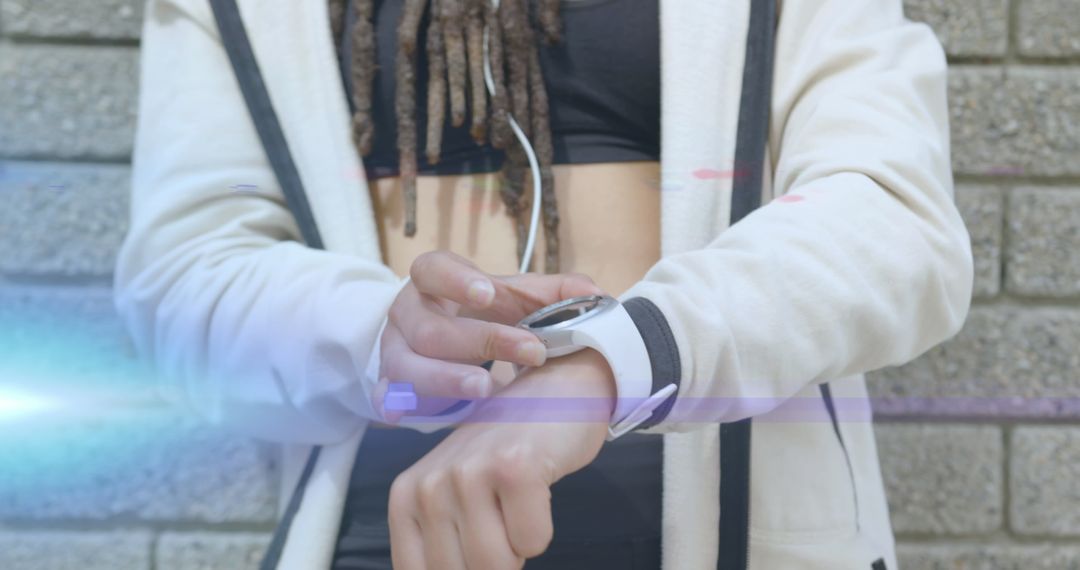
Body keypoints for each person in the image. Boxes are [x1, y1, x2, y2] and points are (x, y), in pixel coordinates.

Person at [113, 0, 974, 568]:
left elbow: (894, 220)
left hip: (736, 529)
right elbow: (183, 275)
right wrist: (376, 335)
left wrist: (612, 360)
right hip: (392, 533)